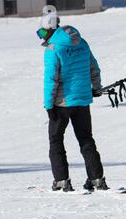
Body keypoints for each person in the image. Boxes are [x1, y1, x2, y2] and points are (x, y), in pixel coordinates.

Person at [37, 7, 108, 192]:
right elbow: (94, 67)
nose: (42, 36)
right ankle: (96, 179)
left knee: (55, 139)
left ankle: (61, 180)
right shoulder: (82, 43)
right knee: (86, 139)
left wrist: (48, 104)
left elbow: (51, 79)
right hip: (83, 101)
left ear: (51, 29)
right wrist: (96, 87)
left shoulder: (54, 49)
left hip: (61, 103)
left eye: (43, 31)